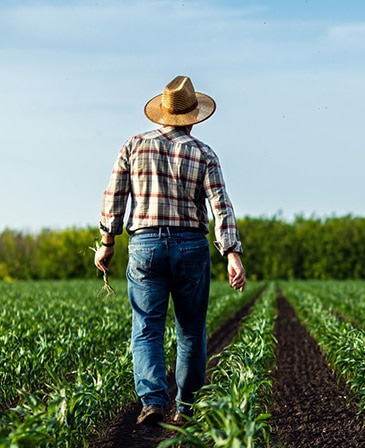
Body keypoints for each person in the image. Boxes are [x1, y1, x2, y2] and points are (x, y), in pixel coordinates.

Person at [94, 75, 247, 425]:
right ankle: (186, 407)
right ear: (193, 117)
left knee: (147, 327)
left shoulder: (133, 146)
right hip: (191, 245)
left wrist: (107, 243)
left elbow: (114, 197)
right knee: (190, 330)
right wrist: (232, 253)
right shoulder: (204, 153)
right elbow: (221, 205)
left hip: (145, 246)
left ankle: (152, 401)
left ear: (162, 114)